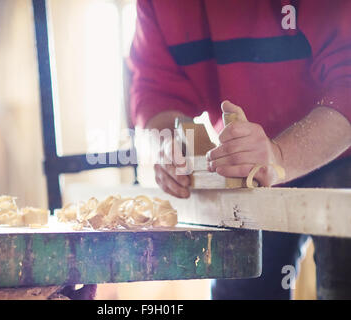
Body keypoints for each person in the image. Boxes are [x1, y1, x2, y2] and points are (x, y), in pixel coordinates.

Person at [128, 0, 351, 299]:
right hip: (244, 165)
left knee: (343, 281)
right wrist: (171, 144)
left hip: (339, 145)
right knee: (242, 286)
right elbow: (156, 91)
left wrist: (280, 156)